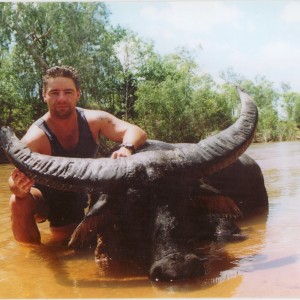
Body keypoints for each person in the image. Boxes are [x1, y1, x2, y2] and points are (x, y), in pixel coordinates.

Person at [8, 65, 147, 244]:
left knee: (73, 246)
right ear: (44, 96)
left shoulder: (95, 120)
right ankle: (29, 258)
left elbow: (136, 131)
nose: (62, 99)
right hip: (44, 198)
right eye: (54, 93)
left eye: (68, 92)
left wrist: (126, 148)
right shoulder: (36, 136)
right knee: (17, 201)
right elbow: (13, 179)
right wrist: (18, 187)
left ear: (78, 94)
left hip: (76, 197)